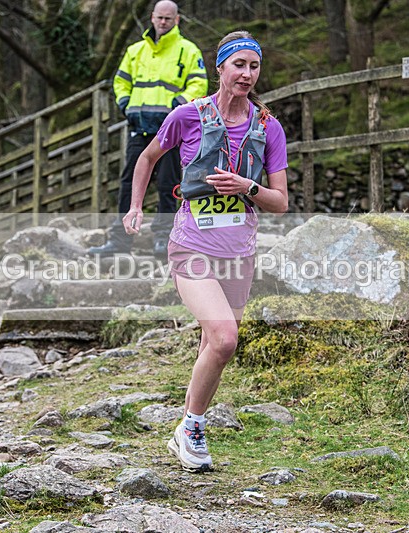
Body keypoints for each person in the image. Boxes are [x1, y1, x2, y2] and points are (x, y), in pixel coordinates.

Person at [121, 31, 288, 472]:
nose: (247, 74)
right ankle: (192, 427)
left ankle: (186, 428)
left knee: (211, 345)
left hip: (239, 253)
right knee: (225, 339)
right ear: (221, 68)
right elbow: (147, 158)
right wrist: (136, 206)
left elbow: (280, 202)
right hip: (192, 246)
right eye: (239, 65)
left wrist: (247, 186)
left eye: (254, 66)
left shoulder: (268, 127)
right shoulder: (187, 116)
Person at [88, 0, 207, 258]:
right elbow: (120, 82)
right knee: (128, 183)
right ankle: (120, 239)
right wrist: (125, 105)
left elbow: (199, 84)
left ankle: (164, 238)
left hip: (170, 131)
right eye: (159, 17)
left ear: (177, 20)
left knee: (168, 184)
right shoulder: (135, 51)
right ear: (152, 17)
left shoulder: (188, 50)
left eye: (168, 18)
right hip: (139, 127)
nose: (163, 22)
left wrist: (177, 107)